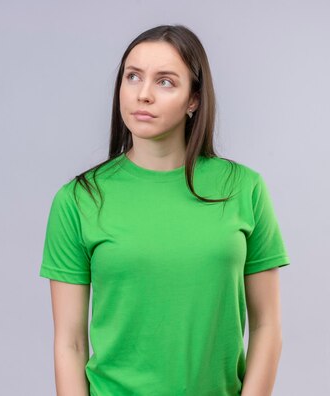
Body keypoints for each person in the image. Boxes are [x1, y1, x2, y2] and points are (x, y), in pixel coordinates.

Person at [39, 24, 291, 396]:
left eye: (165, 82)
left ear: (194, 100)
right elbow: (70, 343)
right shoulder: (79, 199)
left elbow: (268, 326)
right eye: (133, 76)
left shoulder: (243, 189)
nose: (143, 95)